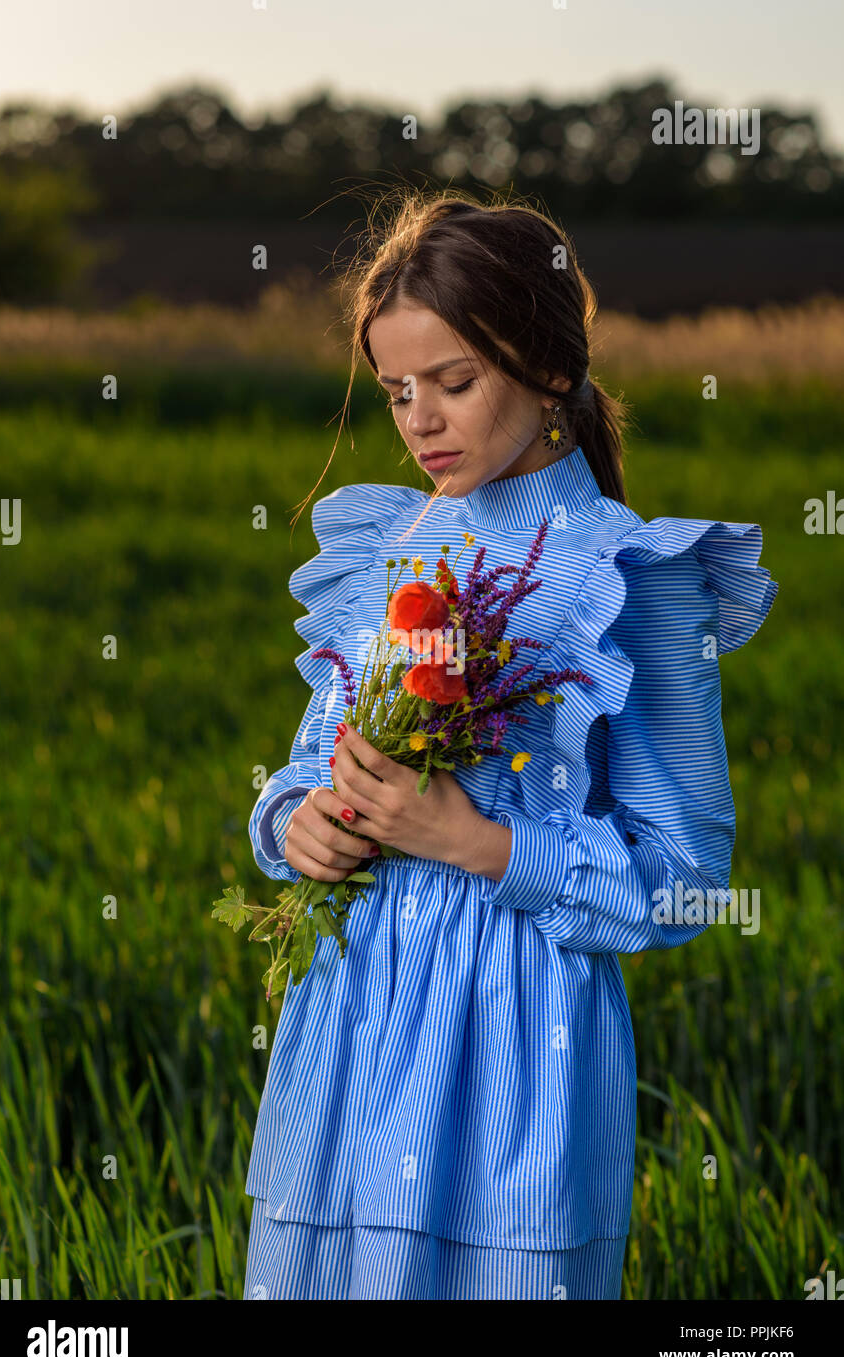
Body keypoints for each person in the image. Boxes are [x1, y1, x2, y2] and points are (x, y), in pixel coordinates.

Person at [241, 193, 778, 1300]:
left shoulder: (635, 578)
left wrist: (482, 843)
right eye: (397, 389)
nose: (419, 420)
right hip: (349, 1024)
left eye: (453, 381)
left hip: (519, 1058)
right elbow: (303, 766)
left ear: (544, 367)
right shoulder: (387, 550)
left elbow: (680, 881)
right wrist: (299, 825)